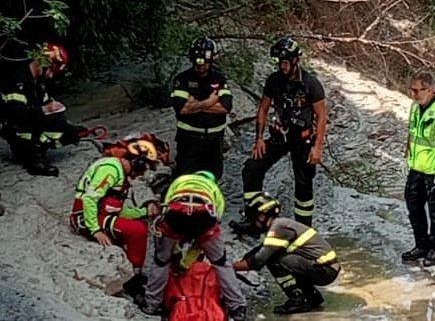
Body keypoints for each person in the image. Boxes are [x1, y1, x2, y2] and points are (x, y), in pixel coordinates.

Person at [230, 36, 327, 235]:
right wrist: (258, 139)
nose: (281, 66)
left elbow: (322, 116)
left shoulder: (310, 83)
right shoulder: (274, 81)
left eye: (285, 62)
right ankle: (253, 219)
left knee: (303, 185)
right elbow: (263, 109)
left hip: (302, 139)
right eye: (278, 62)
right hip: (279, 136)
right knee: (252, 168)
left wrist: (317, 147)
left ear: (295, 61)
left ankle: (304, 231)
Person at [68, 133, 171, 297]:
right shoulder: (111, 170)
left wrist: (144, 212)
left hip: (99, 215)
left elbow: (115, 209)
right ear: (138, 163)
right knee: (138, 230)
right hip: (84, 218)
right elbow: (89, 199)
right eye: (146, 168)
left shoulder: (120, 173)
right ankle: (133, 279)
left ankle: (133, 272)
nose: (144, 174)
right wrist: (95, 230)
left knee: (137, 225)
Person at [138, 170, 247, 321]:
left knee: (161, 262)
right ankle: (237, 306)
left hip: (176, 216)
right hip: (203, 217)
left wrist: (177, 257)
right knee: (221, 263)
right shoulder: (213, 190)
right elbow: (214, 222)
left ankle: (152, 304)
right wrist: (188, 261)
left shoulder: (180, 180)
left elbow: (167, 206)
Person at [233, 192, 340, 315]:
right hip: (323, 267)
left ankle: (297, 299)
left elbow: (259, 260)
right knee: (279, 257)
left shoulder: (278, 229)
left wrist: (229, 268)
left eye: (253, 218)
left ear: (262, 216)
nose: (251, 223)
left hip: (324, 270)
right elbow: (261, 249)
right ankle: (312, 297)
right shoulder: (280, 224)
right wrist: (240, 262)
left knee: (275, 261)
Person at [0, 42, 92, 176]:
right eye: (51, 71)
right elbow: (15, 114)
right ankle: (33, 160)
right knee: (34, 131)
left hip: (27, 118)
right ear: (44, 64)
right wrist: (44, 110)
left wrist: (55, 110)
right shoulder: (17, 81)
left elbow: (45, 102)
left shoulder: (37, 81)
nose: (51, 76)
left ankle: (37, 148)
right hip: (13, 125)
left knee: (67, 131)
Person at [402, 71, 435, 267]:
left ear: (430, 90)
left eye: (418, 90)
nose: (414, 94)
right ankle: (421, 245)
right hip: (416, 166)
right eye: (412, 90)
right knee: (413, 206)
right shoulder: (415, 107)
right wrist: (406, 155)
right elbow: (412, 131)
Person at [169, 36, 232, 181]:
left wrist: (194, 104)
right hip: (189, 139)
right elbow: (181, 108)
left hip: (214, 141)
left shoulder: (219, 79)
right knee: (185, 178)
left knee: (213, 178)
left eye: (204, 61)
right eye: (197, 60)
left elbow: (225, 107)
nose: (200, 65)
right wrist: (209, 102)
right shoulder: (182, 79)